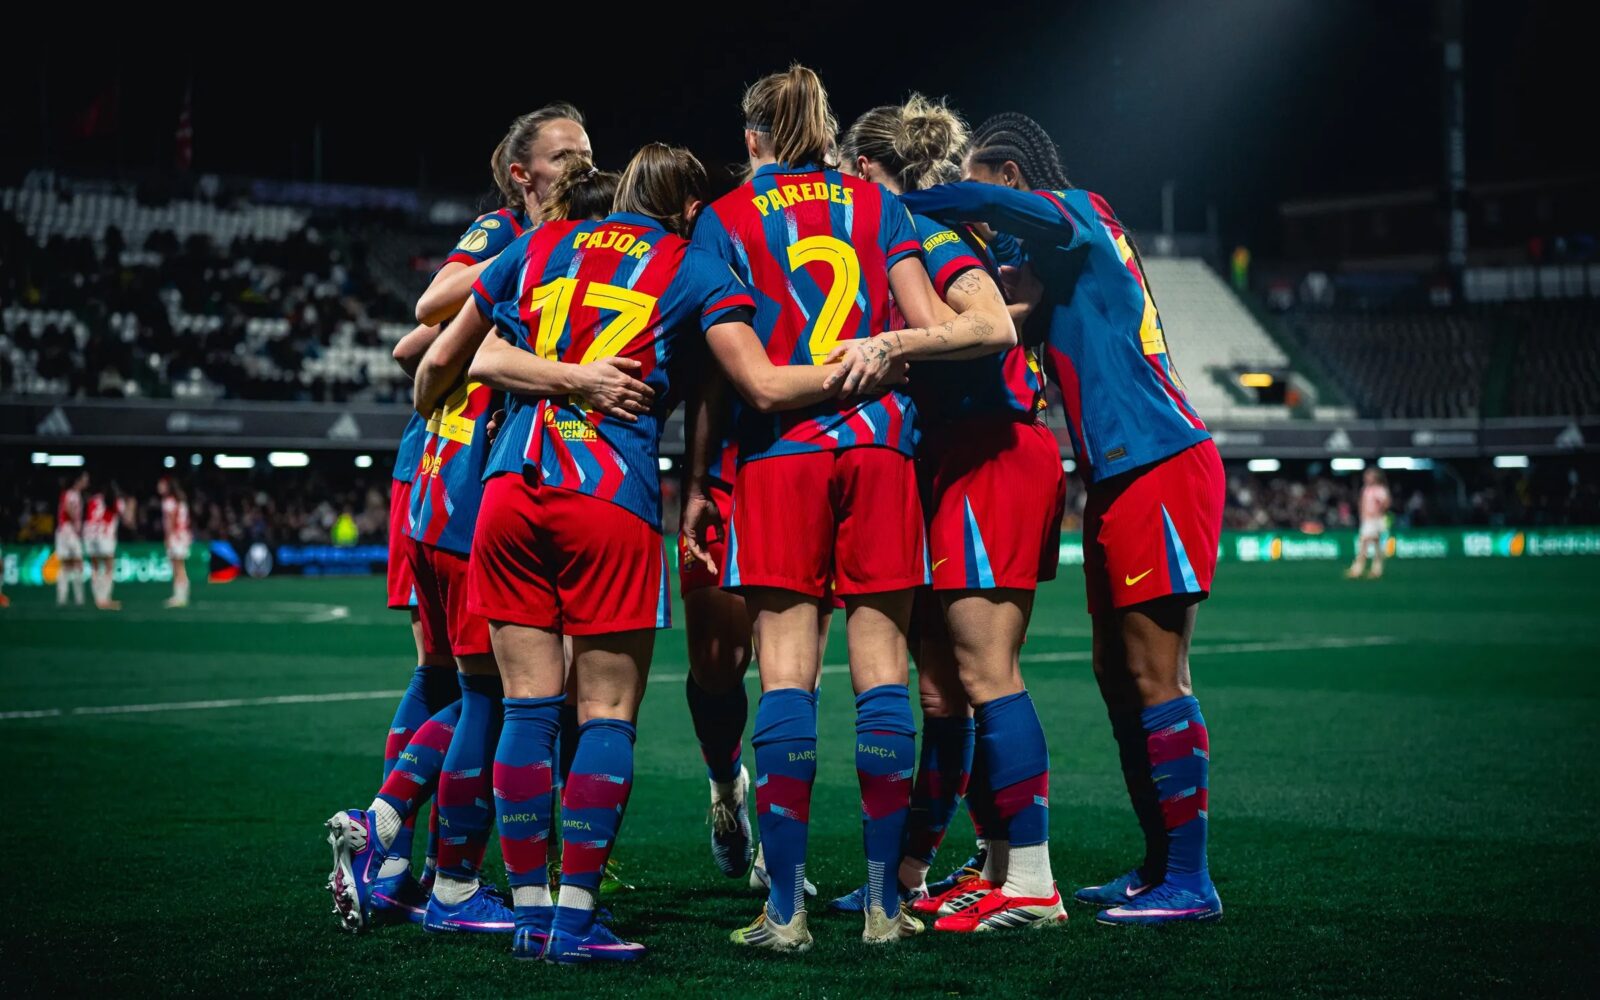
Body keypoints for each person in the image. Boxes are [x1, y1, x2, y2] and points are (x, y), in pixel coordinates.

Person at [463, 144, 813, 963]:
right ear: (689, 211)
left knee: (526, 709)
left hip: (508, 489)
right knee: (606, 712)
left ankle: (528, 918)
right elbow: (745, 378)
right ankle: (576, 922)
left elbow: (480, 356)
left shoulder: (545, 241)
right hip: (604, 493)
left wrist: (566, 374)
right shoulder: (690, 263)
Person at [903, 111, 1225, 925]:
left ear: (1009, 177)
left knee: (1155, 674)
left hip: (1159, 457)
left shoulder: (1078, 210)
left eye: (985, 189)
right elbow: (1002, 319)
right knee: (1116, 672)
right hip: (1119, 472)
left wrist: (902, 204)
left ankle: (1190, 881)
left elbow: (1000, 209)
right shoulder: (1058, 260)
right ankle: (1159, 865)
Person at [683, 65, 962, 951]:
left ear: (754, 138)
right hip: (881, 451)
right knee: (882, 675)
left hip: (781, 460)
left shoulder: (725, 220)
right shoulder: (879, 207)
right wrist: (874, 361)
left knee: (786, 675)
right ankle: (884, 908)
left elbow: (755, 386)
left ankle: (785, 913)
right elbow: (931, 332)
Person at [325, 104, 594, 937]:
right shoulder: (508, 232)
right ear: (521, 175)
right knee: (500, 691)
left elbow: (417, 347)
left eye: (588, 153)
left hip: (434, 480)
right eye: (565, 156)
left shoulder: (559, 248)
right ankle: (410, 845)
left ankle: (392, 869)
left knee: (443, 678)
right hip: (465, 485)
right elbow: (426, 313)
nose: (583, 166)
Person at [823, 96, 1068, 932]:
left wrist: (889, 345)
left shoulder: (923, 228)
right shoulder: (918, 232)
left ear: (864, 170)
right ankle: (935, 869)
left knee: (985, 671)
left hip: (989, 453)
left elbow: (991, 324)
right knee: (941, 691)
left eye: (843, 175)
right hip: (955, 457)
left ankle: (1031, 882)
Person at [85, 485, 131, 610]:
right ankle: (105, 599)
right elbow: (128, 520)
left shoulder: (94, 499)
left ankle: (98, 599)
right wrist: (130, 504)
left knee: (95, 567)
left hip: (90, 534)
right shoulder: (116, 501)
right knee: (108, 568)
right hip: (105, 535)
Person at [1347, 467, 1391, 579]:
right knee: (1365, 543)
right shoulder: (1366, 489)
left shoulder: (1380, 490)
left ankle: (1371, 569)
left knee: (1372, 544)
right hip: (1367, 520)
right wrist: (1362, 515)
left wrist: (1378, 511)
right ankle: (1361, 568)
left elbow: (1386, 503)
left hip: (1376, 519)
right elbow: (1362, 503)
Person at [157, 476, 192, 609]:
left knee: (178, 567)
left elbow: (171, 521)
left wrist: (168, 537)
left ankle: (179, 597)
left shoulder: (169, 501)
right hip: (183, 536)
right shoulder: (181, 500)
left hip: (176, 537)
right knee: (180, 567)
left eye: (161, 484)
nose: (159, 487)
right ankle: (181, 596)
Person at [55, 471, 88, 607]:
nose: (87, 482)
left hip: (65, 531)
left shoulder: (71, 494)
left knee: (67, 566)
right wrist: (76, 524)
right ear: (78, 480)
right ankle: (77, 597)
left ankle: (63, 597)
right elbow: (68, 508)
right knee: (76, 564)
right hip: (68, 532)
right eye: (85, 479)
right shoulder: (71, 494)